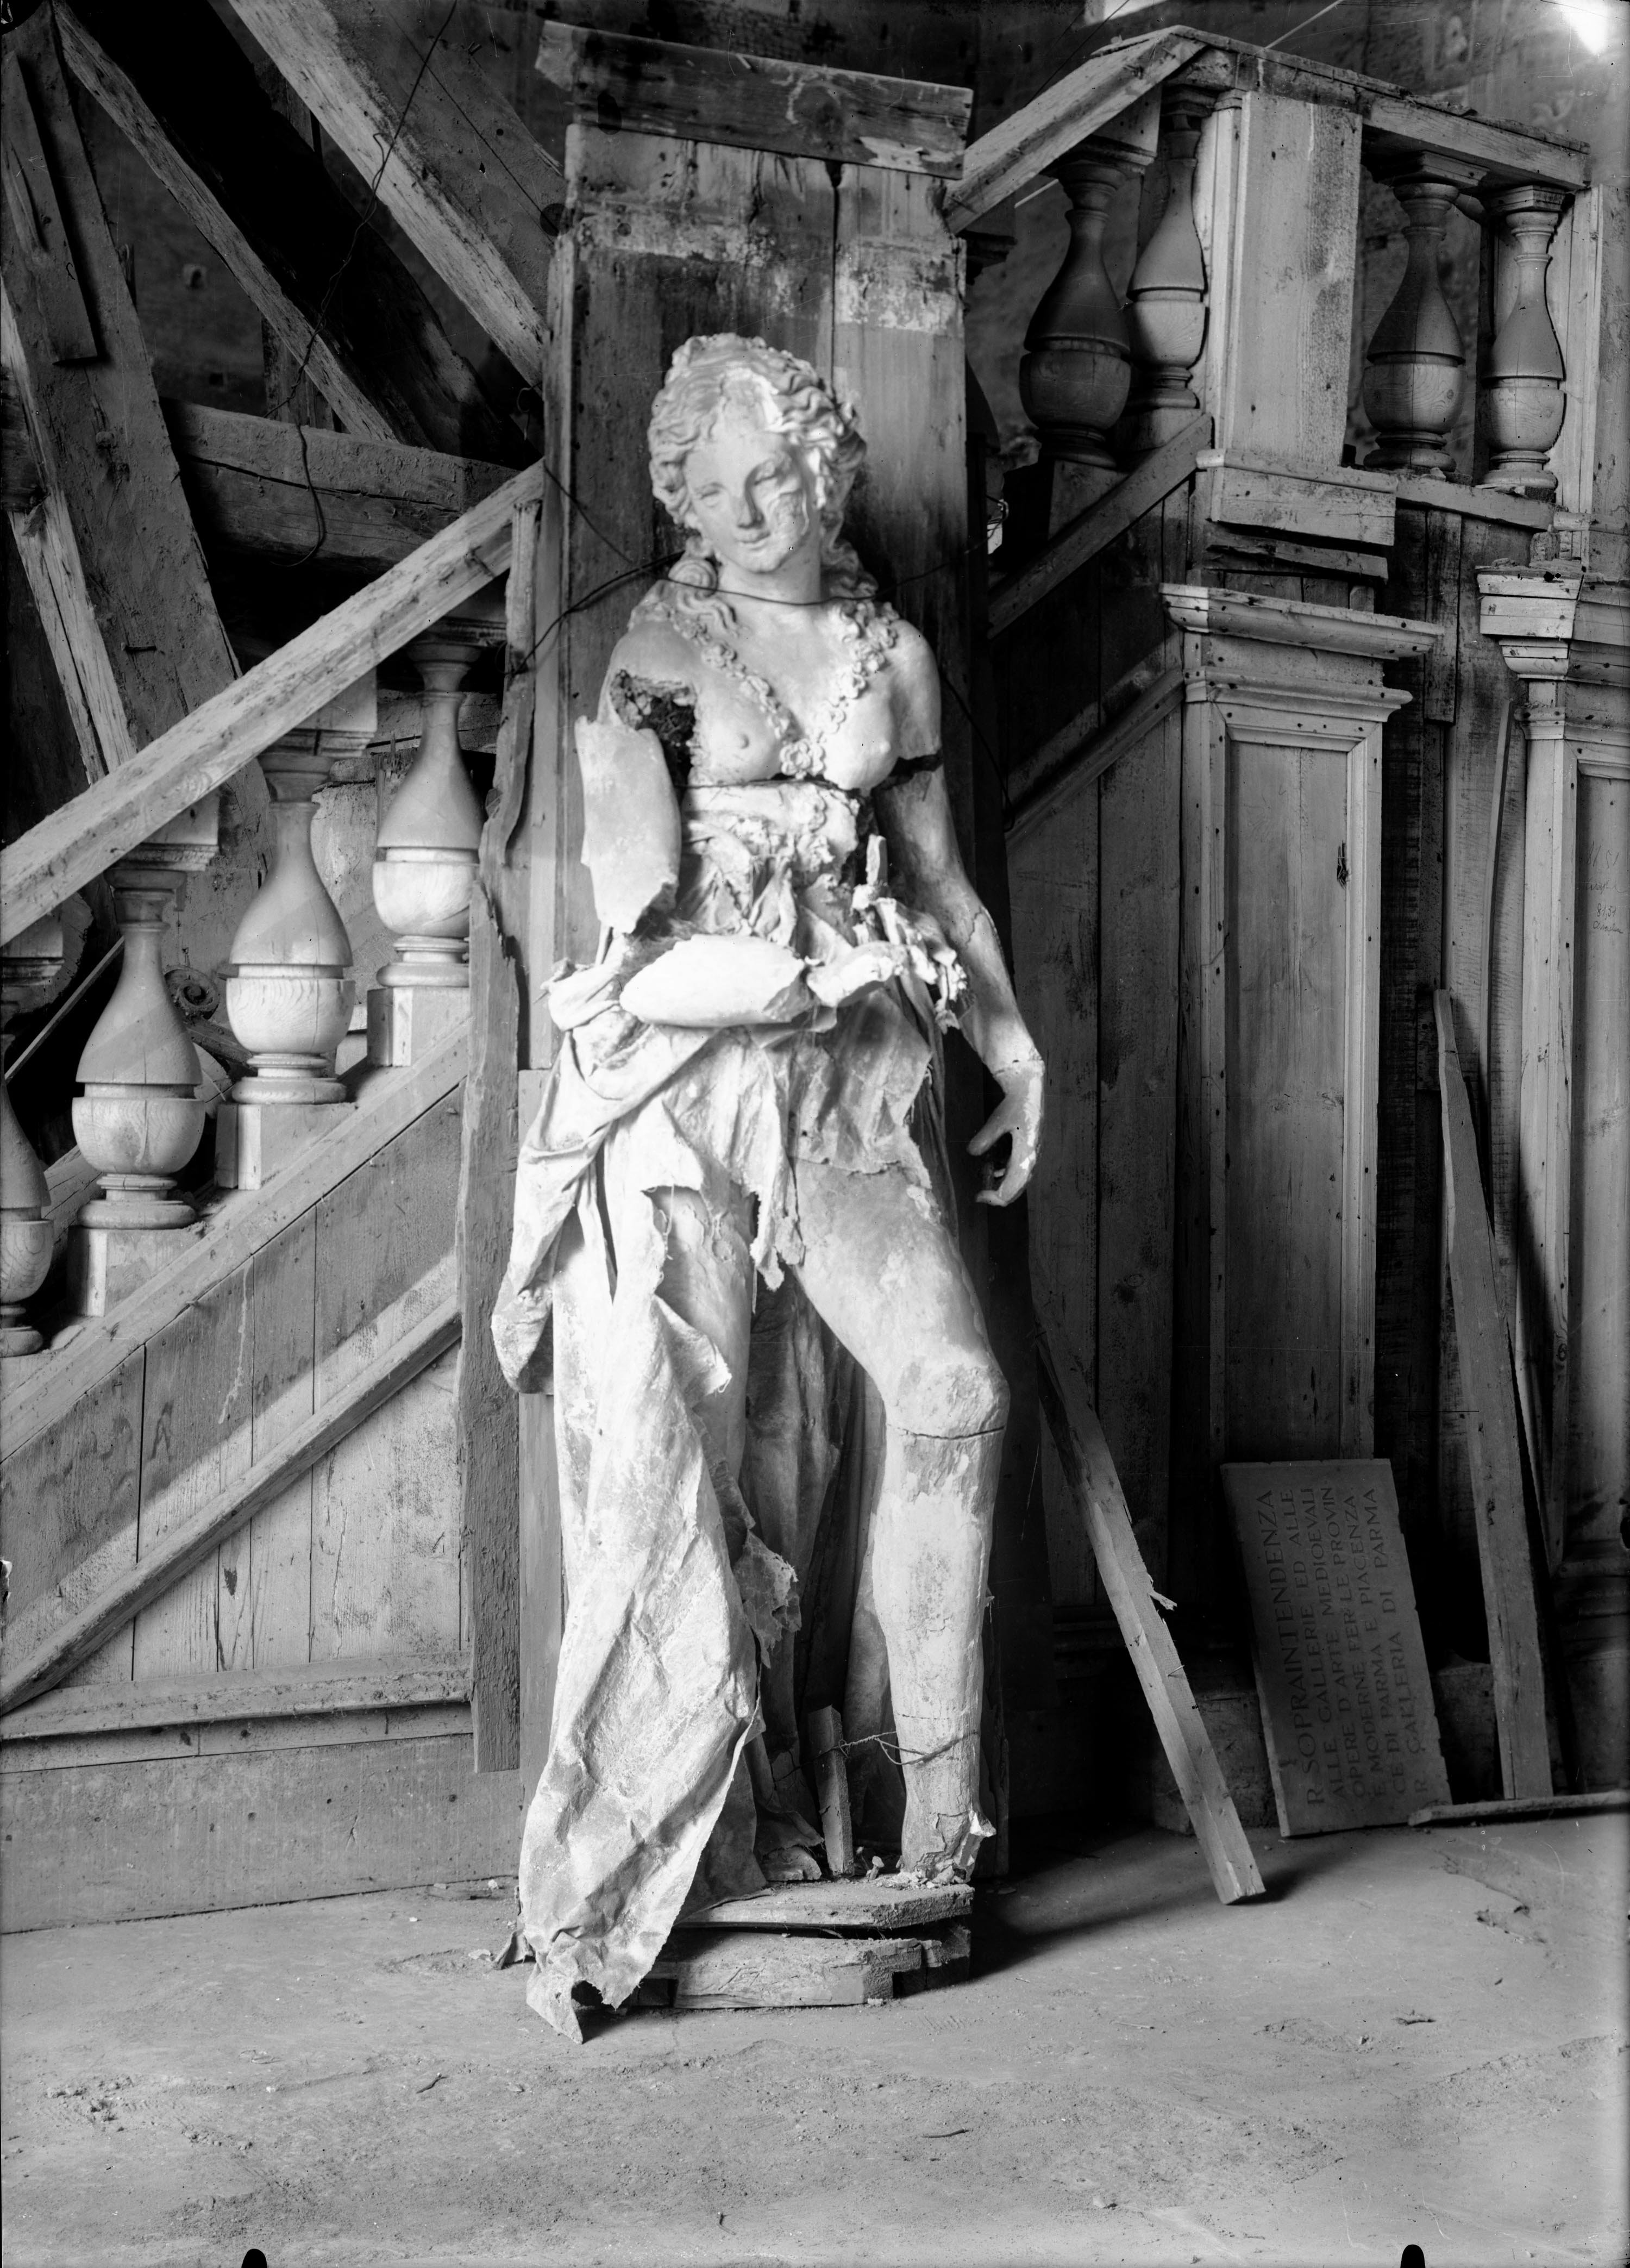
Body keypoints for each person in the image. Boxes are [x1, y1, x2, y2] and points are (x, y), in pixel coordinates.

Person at [492, 334, 1045, 2038]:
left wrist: (1018, 1047)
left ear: (827, 466)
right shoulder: (657, 656)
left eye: (776, 473)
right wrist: (785, 969)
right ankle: (709, 1839)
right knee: (697, 1453)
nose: (748, 510)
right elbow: (626, 928)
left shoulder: (895, 659)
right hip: (694, 1091)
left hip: (860, 1086)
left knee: (953, 1393)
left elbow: (940, 880)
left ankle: (930, 1825)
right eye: (712, 487)